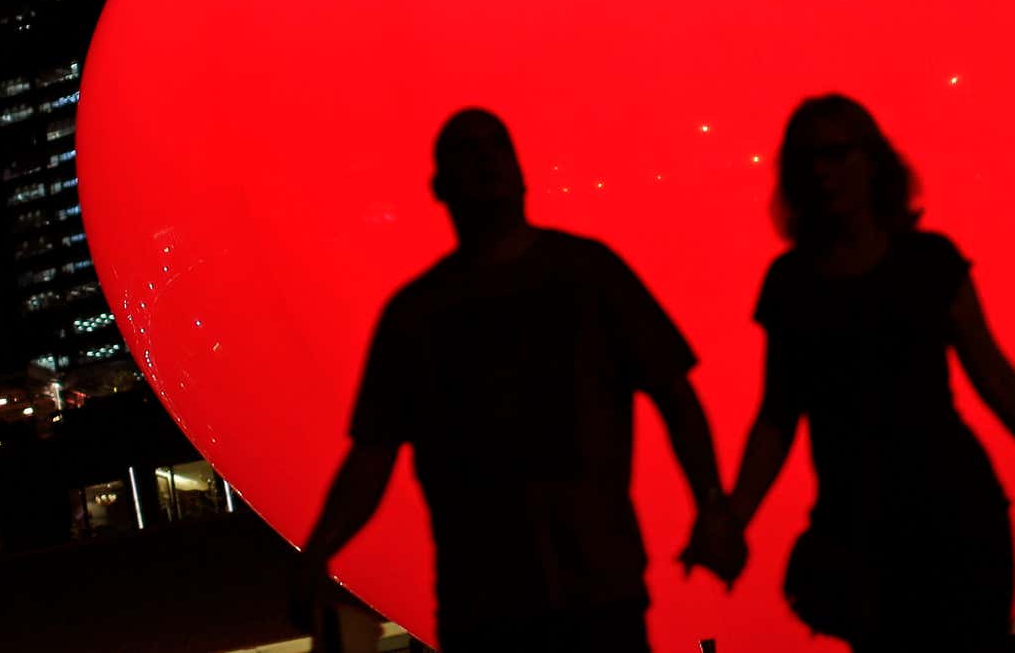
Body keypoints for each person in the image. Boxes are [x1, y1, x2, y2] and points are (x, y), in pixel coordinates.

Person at [297, 108, 744, 652]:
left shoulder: (569, 279)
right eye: (470, 150)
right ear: (441, 185)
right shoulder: (433, 310)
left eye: (495, 147)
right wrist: (712, 507)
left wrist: (713, 506)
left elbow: (675, 395)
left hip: (563, 590)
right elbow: (372, 454)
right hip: (516, 596)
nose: (486, 160)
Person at [727, 94, 1015, 652]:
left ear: (871, 161)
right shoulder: (798, 284)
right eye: (808, 159)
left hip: (947, 515)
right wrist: (735, 516)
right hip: (871, 529)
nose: (821, 172)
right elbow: (777, 416)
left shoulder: (920, 264)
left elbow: (994, 377)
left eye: (835, 154)